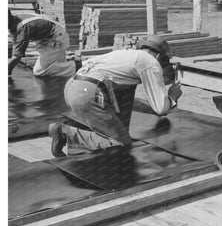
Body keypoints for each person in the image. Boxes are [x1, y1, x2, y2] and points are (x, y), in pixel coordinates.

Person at [48, 35, 182, 158]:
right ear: (160, 56)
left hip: (73, 87)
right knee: (120, 144)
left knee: (117, 129)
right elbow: (161, 108)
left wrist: (151, 109)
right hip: (88, 93)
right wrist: (172, 97)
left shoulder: (125, 56)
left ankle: (80, 149)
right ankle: (65, 132)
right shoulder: (151, 62)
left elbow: (128, 101)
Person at [8, 9, 81, 77]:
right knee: (56, 65)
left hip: (56, 39)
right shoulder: (16, 19)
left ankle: (78, 66)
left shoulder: (21, 29)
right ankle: (69, 66)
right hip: (50, 37)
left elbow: (17, 56)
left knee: (39, 71)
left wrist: (8, 70)